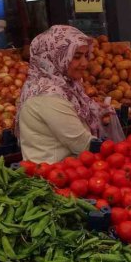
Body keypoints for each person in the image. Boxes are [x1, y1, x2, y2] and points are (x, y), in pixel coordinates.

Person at [15, 25, 110, 164]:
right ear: (54, 57)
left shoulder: (63, 86)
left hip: (69, 172)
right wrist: (123, 150)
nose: (84, 63)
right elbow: (83, 144)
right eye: (76, 57)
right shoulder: (47, 96)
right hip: (53, 178)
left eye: (85, 55)